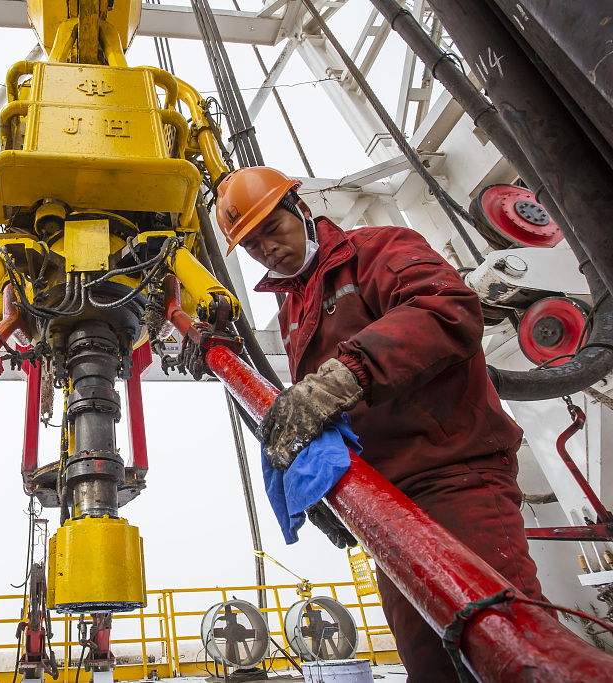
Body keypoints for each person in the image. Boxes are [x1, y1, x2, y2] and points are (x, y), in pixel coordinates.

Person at [215, 166, 543, 682]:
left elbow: (446, 309)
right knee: (429, 661)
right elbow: (325, 422)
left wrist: (343, 375)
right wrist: (328, 494)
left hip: (454, 476)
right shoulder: (292, 309)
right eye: (252, 245)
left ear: (299, 208)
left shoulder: (376, 250)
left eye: (272, 229)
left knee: (508, 646)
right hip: (385, 503)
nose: (268, 250)